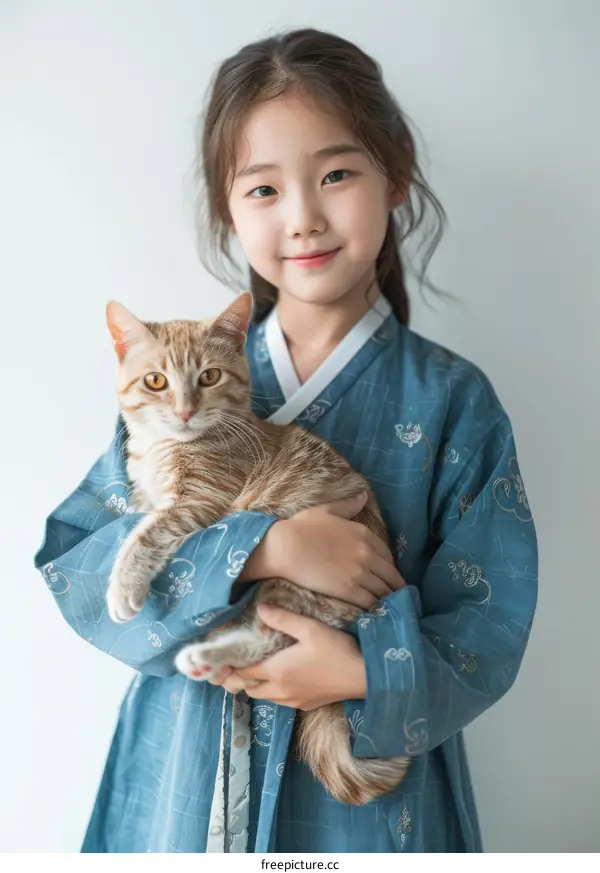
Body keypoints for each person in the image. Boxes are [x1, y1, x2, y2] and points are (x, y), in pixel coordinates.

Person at [35, 27, 537, 853]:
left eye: (336, 174)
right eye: (263, 189)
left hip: (363, 786)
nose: (303, 217)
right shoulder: (173, 389)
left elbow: (490, 618)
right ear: (226, 208)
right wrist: (261, 547)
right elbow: (83, 568)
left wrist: (363, 671)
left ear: (396, 170)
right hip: (185, 779)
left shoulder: (453, 401)